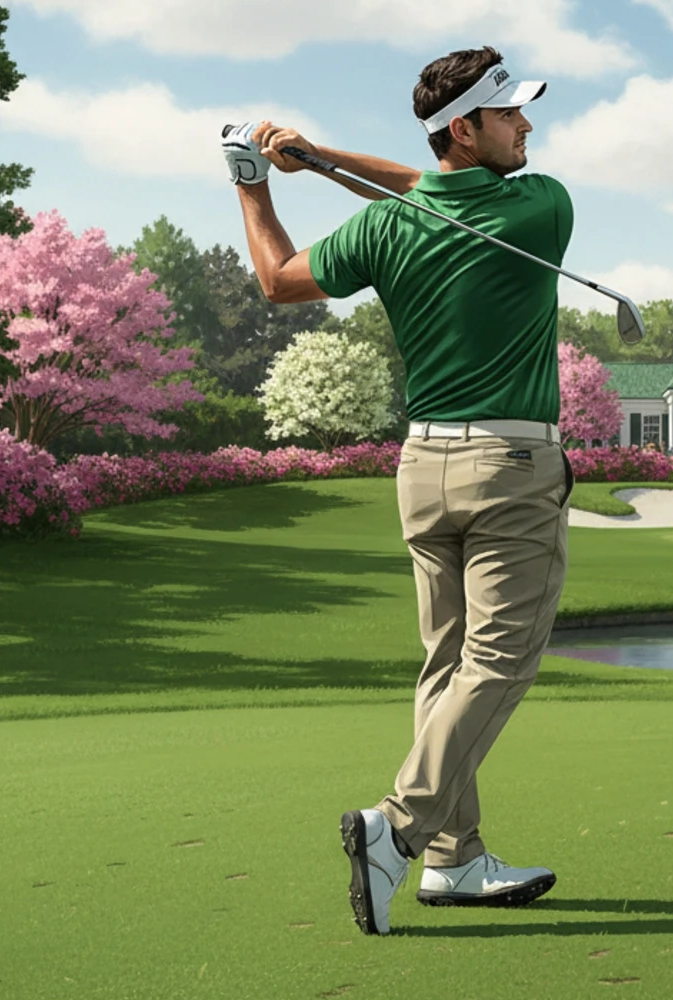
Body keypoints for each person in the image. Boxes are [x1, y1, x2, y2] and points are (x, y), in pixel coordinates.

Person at [225, 46, 569, 936]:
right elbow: (426, 185)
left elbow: (279, 280)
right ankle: (400, 828)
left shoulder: (386, 227)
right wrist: (324, 159)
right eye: (510, 114)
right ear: (467, 129)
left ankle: (455, 860)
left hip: (422, 468)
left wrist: (257, 185)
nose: (527, 125)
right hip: (512, 466)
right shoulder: (540, 205)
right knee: (499, 662)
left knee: (446, 665)